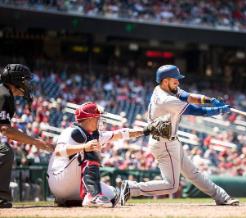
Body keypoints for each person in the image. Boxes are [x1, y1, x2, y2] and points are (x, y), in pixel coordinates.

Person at [120, 65, 239, 206]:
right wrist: (218, 110)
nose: (178, 82)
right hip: (163, 143)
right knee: (171, 185)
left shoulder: (163, 88)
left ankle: (222, 197)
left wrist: (209, 100)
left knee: (193, 173)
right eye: (175, 80)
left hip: (171, 141)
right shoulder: (165, 99)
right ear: (165, 81)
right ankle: (132, 188)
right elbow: (195, 111)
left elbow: (187, 96)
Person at [47, 102, 169, 207]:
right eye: (97, 117)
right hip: (60, 180)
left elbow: (120, 134)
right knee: (90, 149)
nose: (99, 120)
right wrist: (84, 147)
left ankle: (69, 201)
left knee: (113, 196)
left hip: (71, 187)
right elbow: (58, 152)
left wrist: (145, 131)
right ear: (89, 119)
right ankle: (92, 196)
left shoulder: (94, 134)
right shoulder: (72, 132)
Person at [0, 64, 53, 208]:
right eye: (24, 80)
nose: (27, 84)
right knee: (4, 151)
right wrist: (35, 142)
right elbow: (5, 129)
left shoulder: (5, 93)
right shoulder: (3, 94)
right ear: (16, 81)